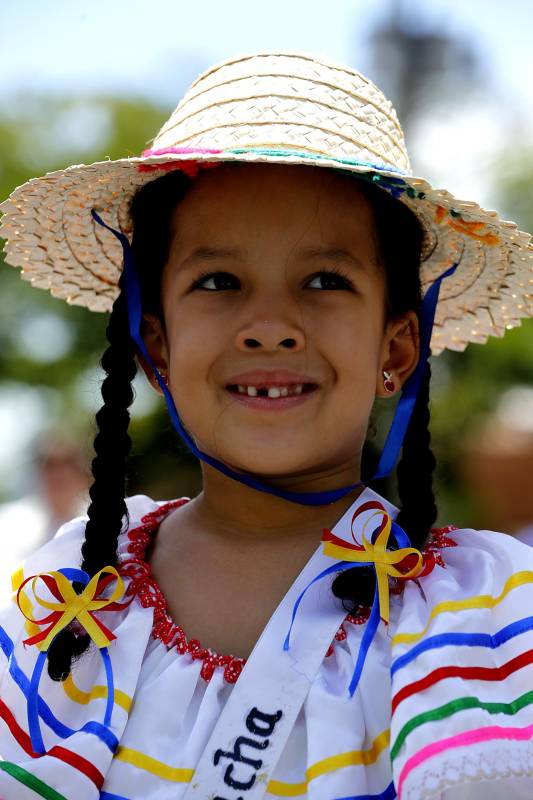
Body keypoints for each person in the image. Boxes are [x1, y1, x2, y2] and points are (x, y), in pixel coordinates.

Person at [0, 51, 532, 800]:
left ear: (396, 347)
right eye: (218, 282)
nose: (271, 327)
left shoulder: (492, 620)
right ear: (157, 348)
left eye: (324, 281)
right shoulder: (61, 603)